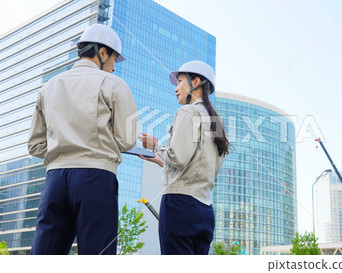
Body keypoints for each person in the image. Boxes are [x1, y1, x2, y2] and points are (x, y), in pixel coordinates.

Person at [28, 24, 138, 255]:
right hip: (96, 178)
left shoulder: (48, 87)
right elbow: (127, 140)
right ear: (102, 52)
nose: (114, 68)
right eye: (114, 60)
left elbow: (35, 145)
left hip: (54, 180)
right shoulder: (115, 85)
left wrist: (62, 146)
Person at [139, 61, 229, 255]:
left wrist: (156, 146)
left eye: (179, 82)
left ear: (196, 82)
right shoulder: (216, 122)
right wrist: (159, 159)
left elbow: (178, 158)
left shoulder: (187, 111)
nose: (175, 89)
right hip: (204, 211)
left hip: (179, 206)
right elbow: (197, 166)